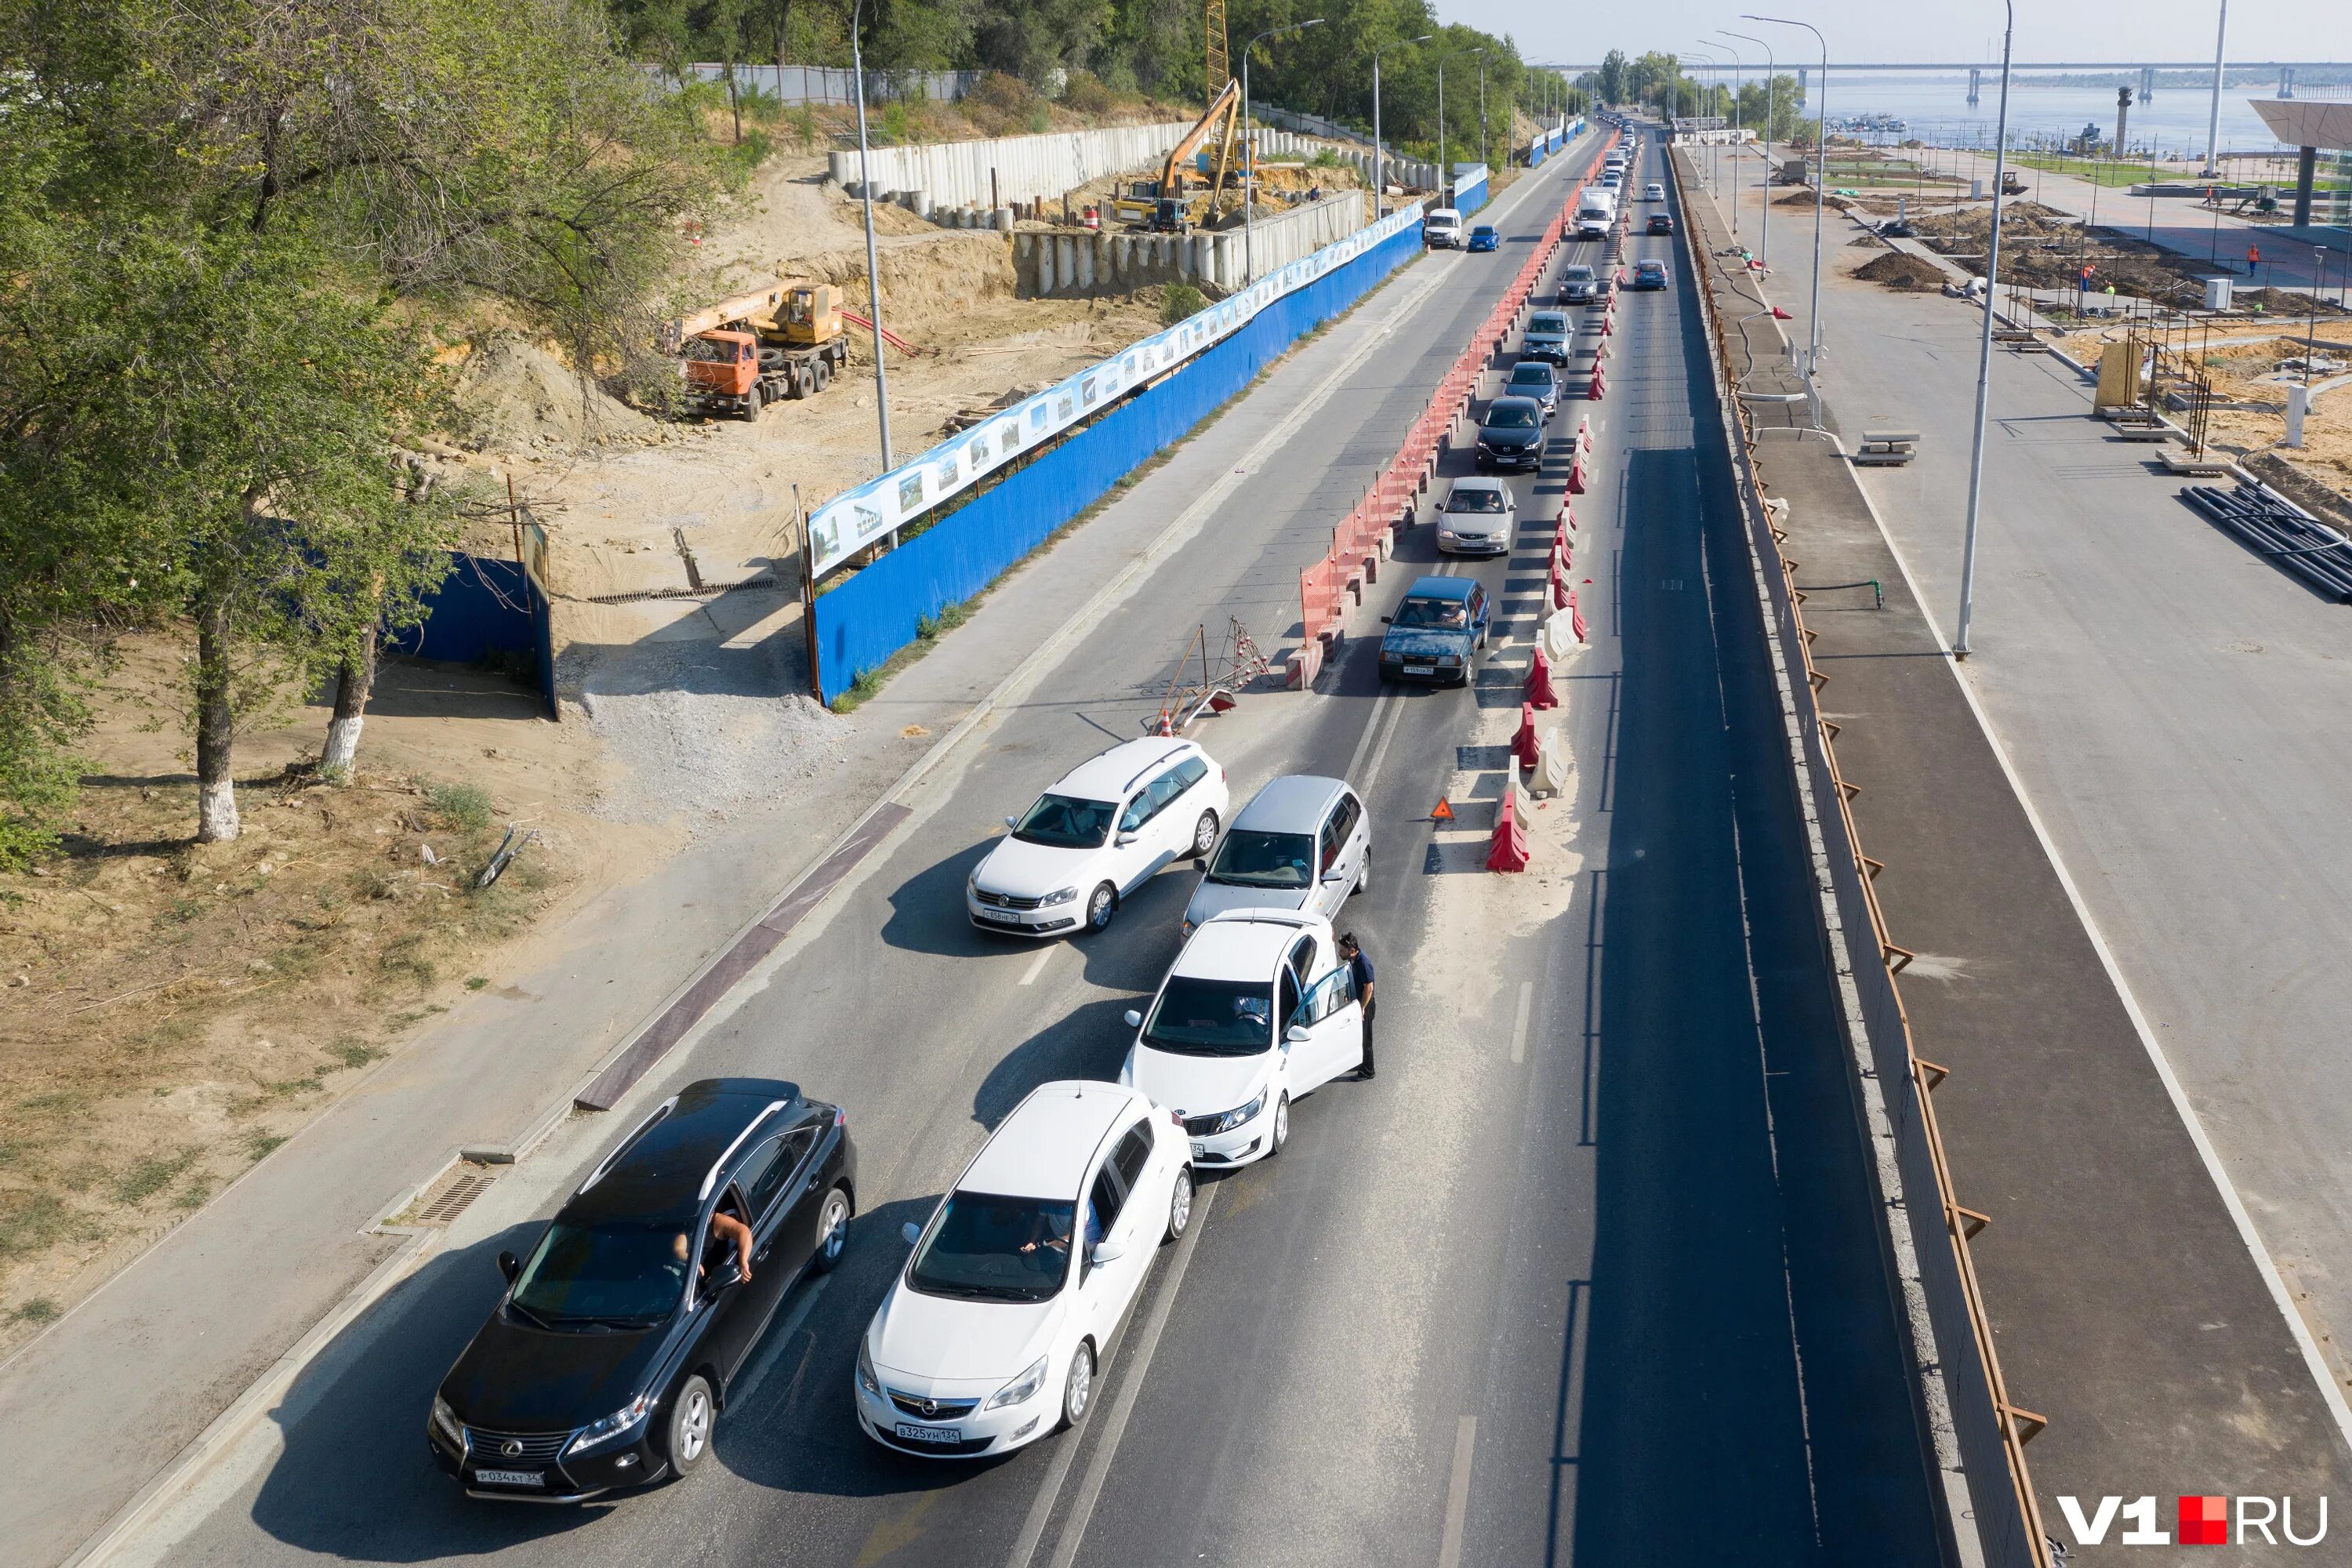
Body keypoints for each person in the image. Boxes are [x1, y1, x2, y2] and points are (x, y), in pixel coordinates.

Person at [1338, 931, 1376, 1080]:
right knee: (1358, 1036)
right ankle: (1360, 1063)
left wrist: (1362, 1009)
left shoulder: (1364, 963)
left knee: (1366, 1039)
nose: (1339, 953)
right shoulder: (1353, 960)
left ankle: (1368, 1070)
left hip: (1366, 1006)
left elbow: (1369, 988)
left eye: (1342, 950)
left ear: (1351, 950)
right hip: (1359, 1003)